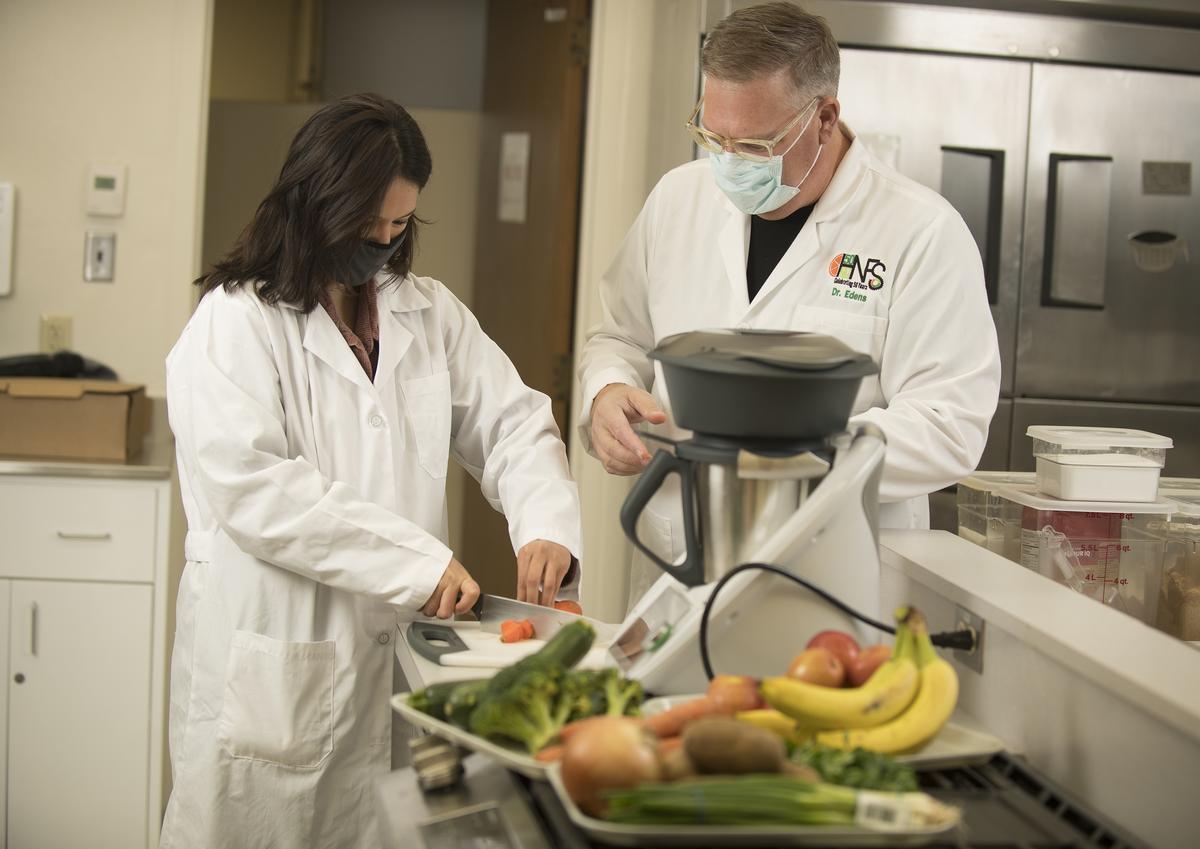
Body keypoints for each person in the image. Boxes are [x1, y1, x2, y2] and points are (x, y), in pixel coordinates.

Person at [160, 93, 581, 849]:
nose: (383, 244)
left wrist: (545, 525)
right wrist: (416, 563)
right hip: (279, 666)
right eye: (368, 226)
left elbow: (511, 420)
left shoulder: (428, 313)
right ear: (317, 204)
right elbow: (257, 492)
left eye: (398, 226)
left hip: (394, 664)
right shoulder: (234, 323)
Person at [578, 2, 1001, 605]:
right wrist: (608, 391)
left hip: (829, 581)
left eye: (754, 143)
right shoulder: (679, 200)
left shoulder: (921, 232)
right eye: (711, 135)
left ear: (825, 117)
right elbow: (619, 337)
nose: (728, 161)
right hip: (676, 567)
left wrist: (790, 451)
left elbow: (949, 424)